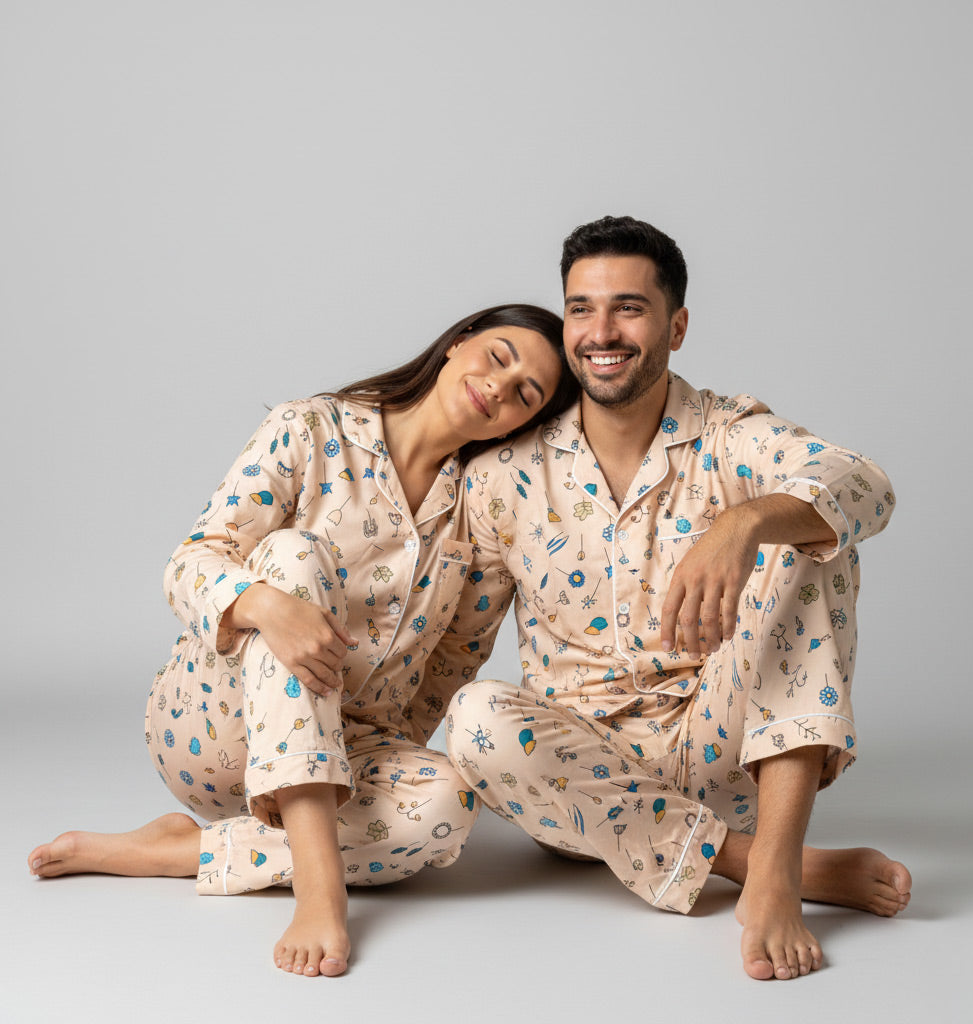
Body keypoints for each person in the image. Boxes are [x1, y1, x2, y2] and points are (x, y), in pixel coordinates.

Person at [27, 303, 576, 978]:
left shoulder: (482, 509)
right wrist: (264, 605)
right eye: (498, 356)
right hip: (214, 726)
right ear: (458, 344)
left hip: (349, 757)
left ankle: (183, 852)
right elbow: (190, 564)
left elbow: (455, 661)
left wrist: (391, 747)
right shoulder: (312, 427)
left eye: (528, 392)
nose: (501, 386)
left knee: (450, 805)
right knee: (292, 556)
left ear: (527, 420)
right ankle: (320, 886)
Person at [435, 216, 912, 981]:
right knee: (477, 718)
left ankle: (777, 862)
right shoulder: (504, 473)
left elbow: (866, 484)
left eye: (629, 307)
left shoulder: (729, 436)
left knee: (813, 542)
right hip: (577, 781)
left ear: (676, 325)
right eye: (581, 308)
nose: (601, 331)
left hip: (722, 754)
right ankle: (753, 866)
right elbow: (455, 652)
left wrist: (748, 519)